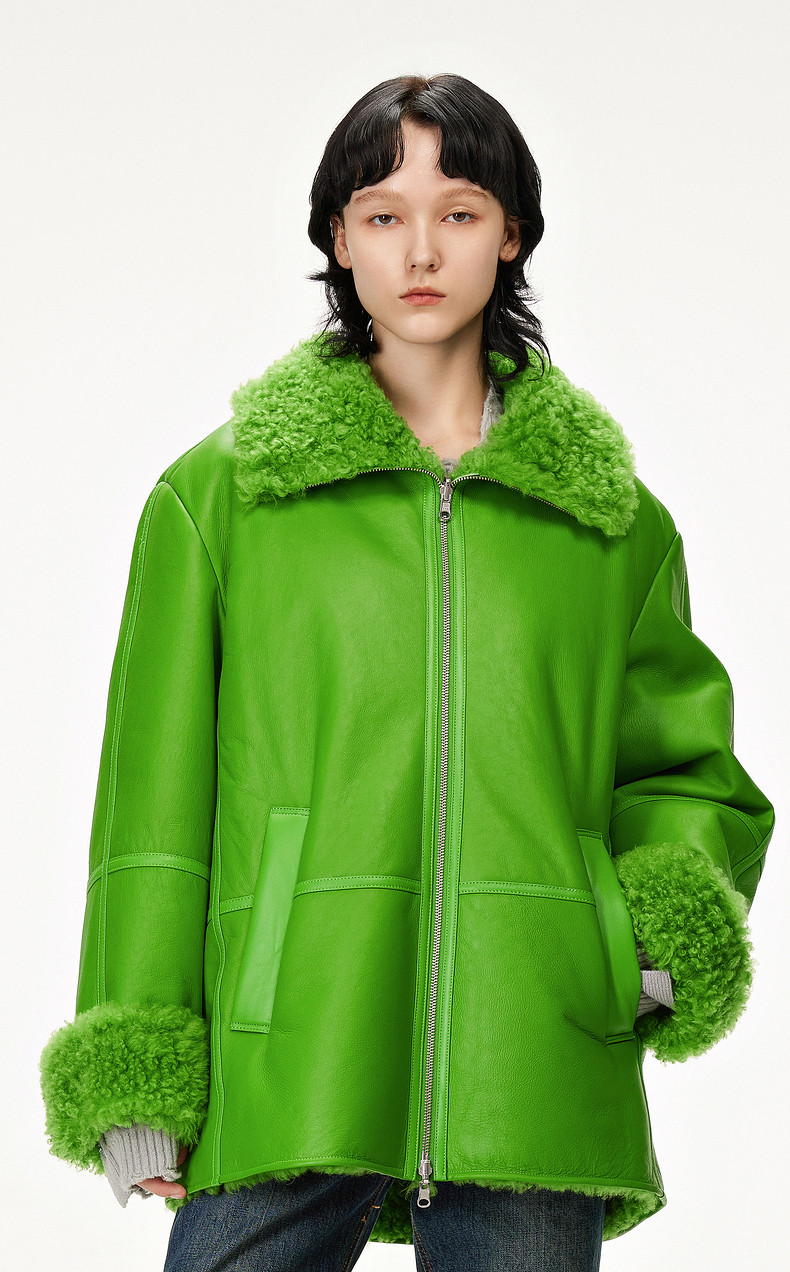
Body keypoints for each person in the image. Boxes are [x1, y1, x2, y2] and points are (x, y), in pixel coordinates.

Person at [38, 73, 774, 1272]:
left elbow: (685, 773)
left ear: (511, 234)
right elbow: (151, 814)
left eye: (459, 212)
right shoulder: (224, 498)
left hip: (530, 1055)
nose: (420, 251)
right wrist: (138, 1073)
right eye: (383, 215)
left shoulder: (609, 522)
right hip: (295, 1041)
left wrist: (633, 949)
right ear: (337, 237)